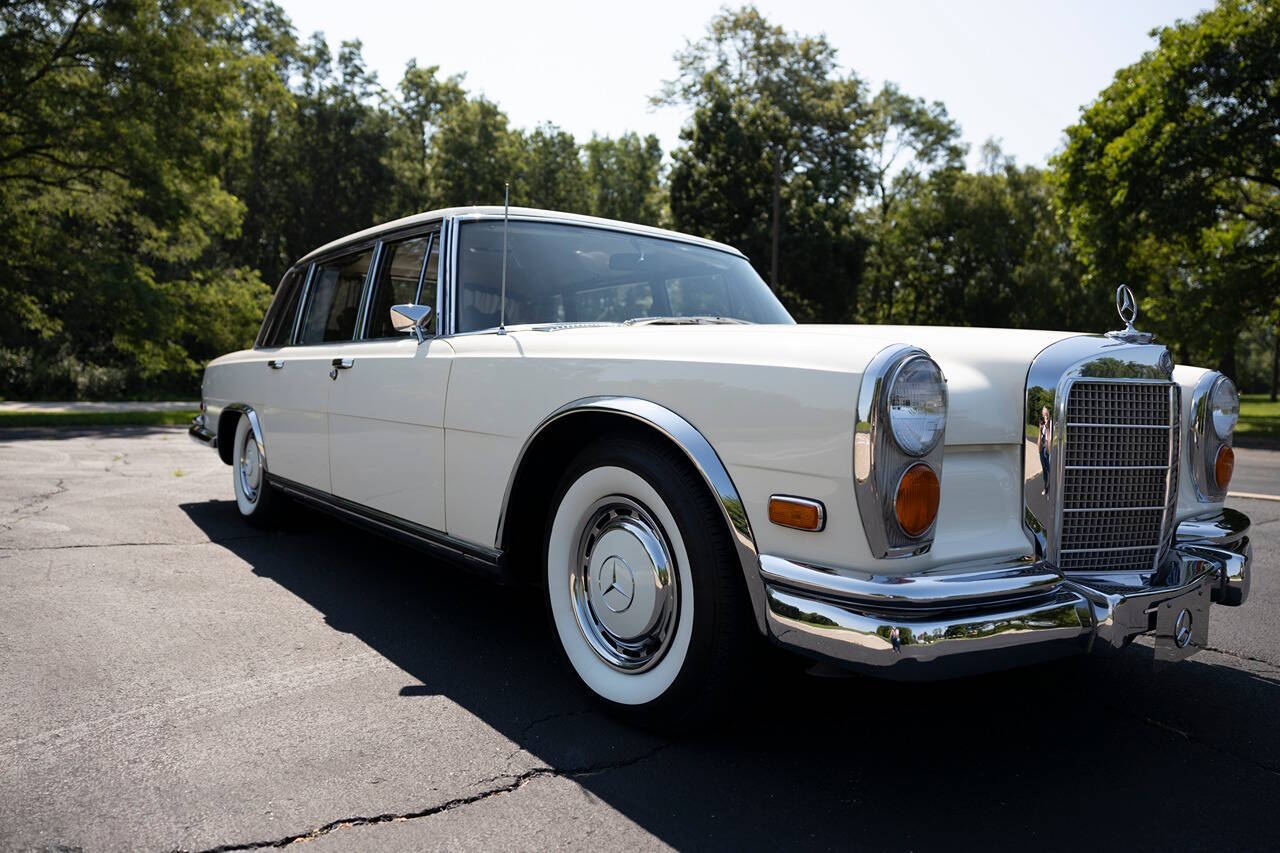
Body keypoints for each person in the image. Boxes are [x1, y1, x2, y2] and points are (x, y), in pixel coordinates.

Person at [1037, 406, 1053, 496]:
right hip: (1042, 447)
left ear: (1048, 414)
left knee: (1050, 469)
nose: (1044, 415)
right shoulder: (1042, 424)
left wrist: (1047, 429)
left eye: (1046, 413)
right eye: (1043, 413)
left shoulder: (1051, 424)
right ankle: (1045, 486)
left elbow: (1050, 449)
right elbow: (1038, 446)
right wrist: (1040, 430)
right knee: (1044, 469)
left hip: (1048, 447)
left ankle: (1052, 485)